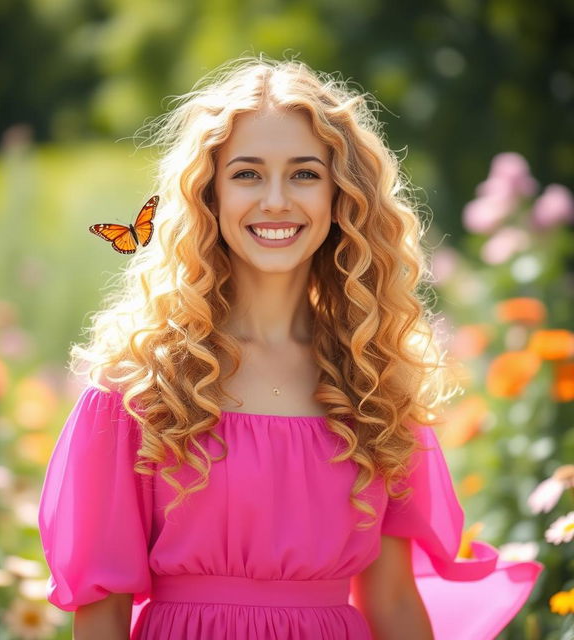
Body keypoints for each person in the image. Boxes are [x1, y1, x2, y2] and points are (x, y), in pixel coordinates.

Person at [38, 56, 544, 639]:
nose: (276, 200)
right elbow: (100, 613)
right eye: (247, 174)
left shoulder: (375, 381)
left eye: (304, 174)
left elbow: (396, 605)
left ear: (341, 196)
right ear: (209, 195)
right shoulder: (141, 383)